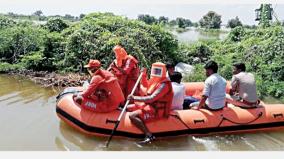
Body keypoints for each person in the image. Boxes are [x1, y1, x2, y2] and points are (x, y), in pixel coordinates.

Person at [127, 62, 173, 144]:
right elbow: (146, 86)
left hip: (157, 110)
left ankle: (149, 135)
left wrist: (134, 98)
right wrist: (144, 75)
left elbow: (151, 98)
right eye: (154, 70)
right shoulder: (155, 80)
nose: (155, 73)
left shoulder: (164, 85)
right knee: (128, 107)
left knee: (132, 115)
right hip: (150, 105)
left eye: (158, 71)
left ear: (163, 71)